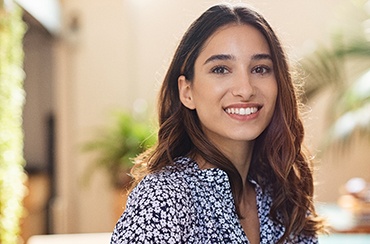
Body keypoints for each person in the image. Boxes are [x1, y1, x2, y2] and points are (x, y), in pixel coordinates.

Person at [111, 3, 325, 244]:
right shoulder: (162, 198)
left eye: (260, 69)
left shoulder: (282, 195)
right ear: (187, 91)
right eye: (221, 69)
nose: (245, 89)